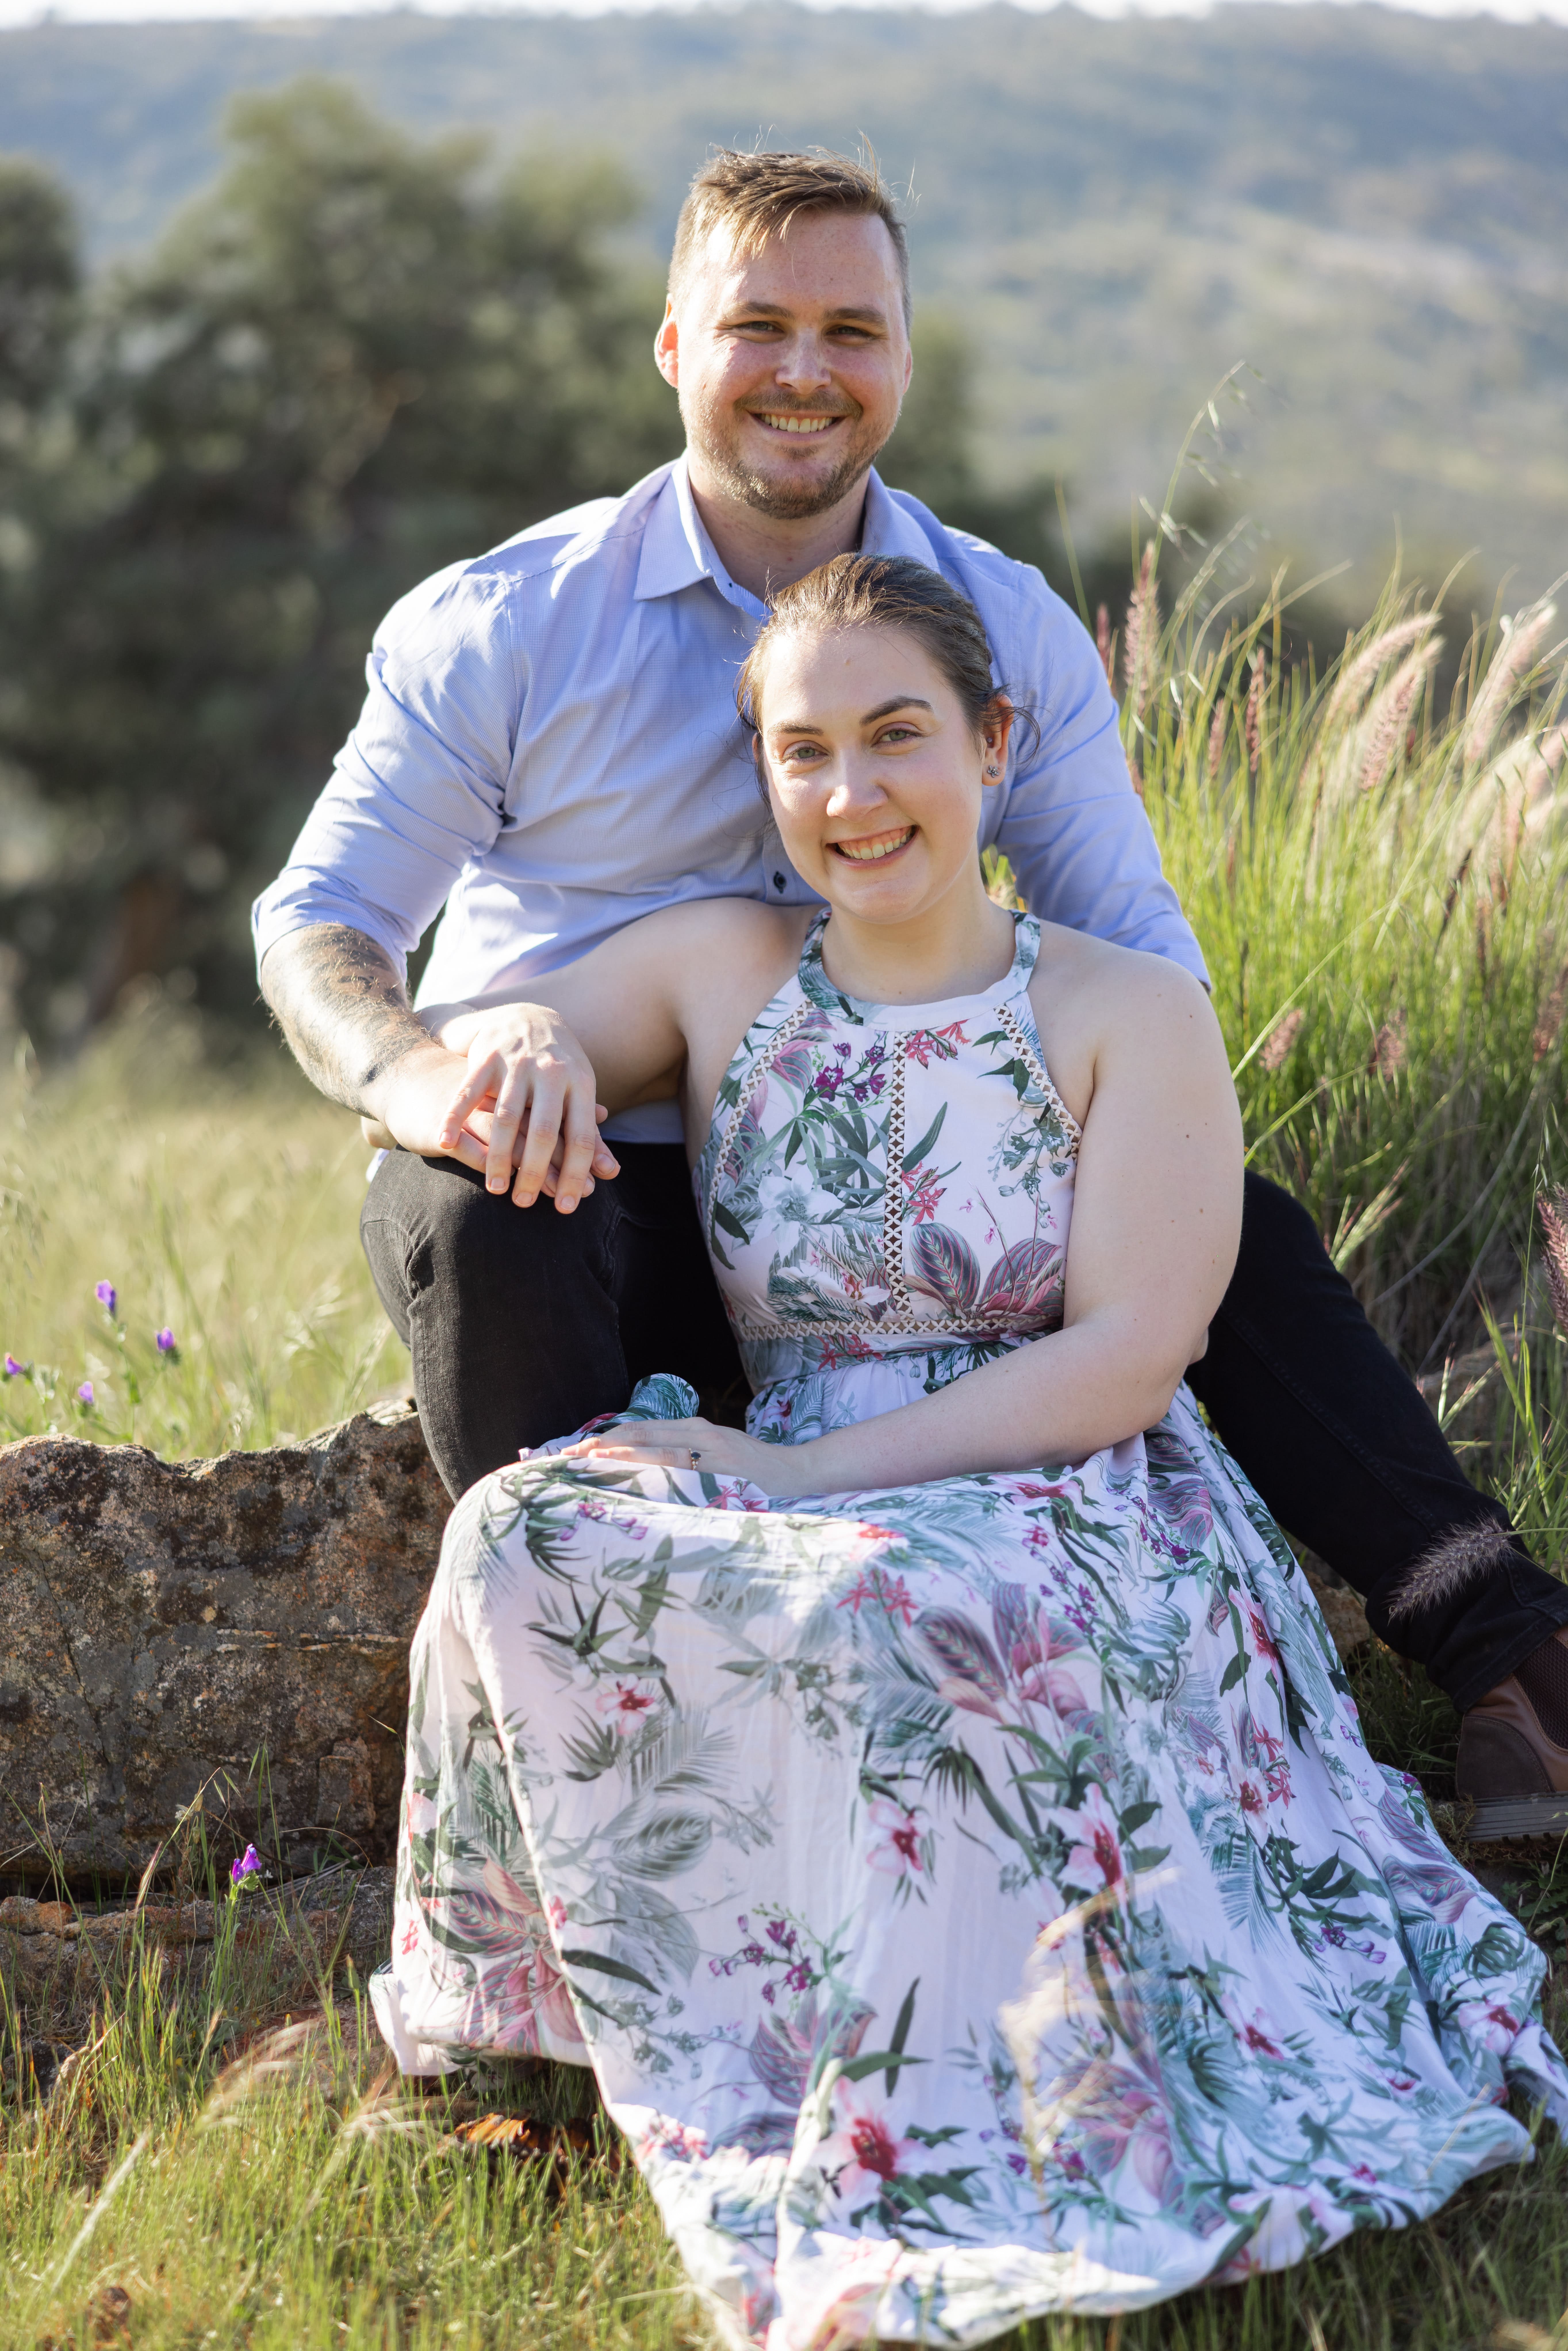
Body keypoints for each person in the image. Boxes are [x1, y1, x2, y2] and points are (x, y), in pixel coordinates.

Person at [253, 146, 1568, 1833]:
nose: (807, 370)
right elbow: (318, 924)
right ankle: (589, 1744)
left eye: (852, 330)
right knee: (481, 1218)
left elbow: (1137, 953)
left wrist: (1040, 1165)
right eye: (759, 326)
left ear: (902, 357)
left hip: (886, 1199)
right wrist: (429, 1071)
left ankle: (1509, 1661)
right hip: (579, 1175)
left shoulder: (1000, 629)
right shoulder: (507, 624)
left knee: (1223, 1214)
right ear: (673, 347)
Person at [369, 556, 1568, 2342]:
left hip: (1069, 1486)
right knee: (520, 1535)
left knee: (907, 1617)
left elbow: (1132, 1358)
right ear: (766, 783)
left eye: (898, 737)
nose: (852, 795)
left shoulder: (1121, 1010)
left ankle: (934, 2105)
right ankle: (557, 2026)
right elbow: (476, 1048)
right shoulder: (719, 968)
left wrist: (796, 1485)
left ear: (997, 747)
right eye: (806, 753)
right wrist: (532, 1025)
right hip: (796, 1463)